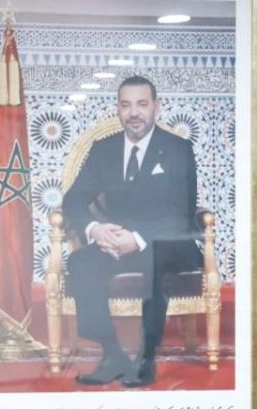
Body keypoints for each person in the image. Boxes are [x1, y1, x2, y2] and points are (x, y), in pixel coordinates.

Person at [61, 75, 201, 388]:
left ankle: (145, 358)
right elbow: (73, 200)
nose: (134, 113)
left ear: (156, 107)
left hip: (167, 243)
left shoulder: (178, 149)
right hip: (115, 243)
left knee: (156, 260)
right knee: (81, 262)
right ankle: (112, 353)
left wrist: (136, 239)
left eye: (142, 104)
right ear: (118, 109)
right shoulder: (104, 150)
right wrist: (96, 229)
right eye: (126, 105)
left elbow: (181, 213)